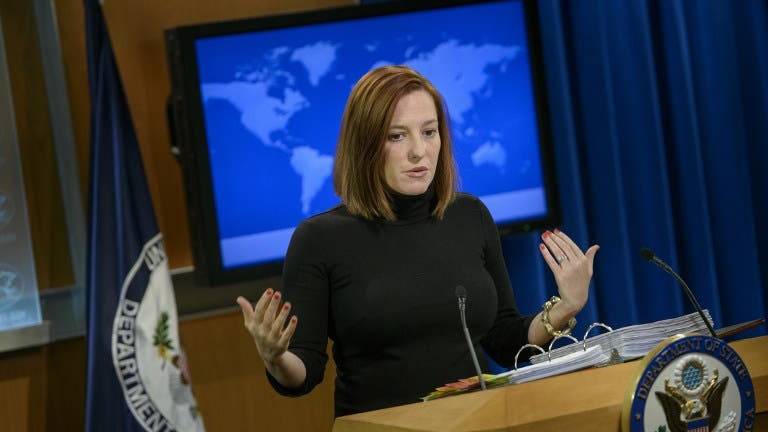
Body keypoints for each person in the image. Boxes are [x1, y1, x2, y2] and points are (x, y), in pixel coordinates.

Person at [236, 65, 599, 417]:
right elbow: (304, 372)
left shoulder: (470, 215)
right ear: (364, 145)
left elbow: (504, 341)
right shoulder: (319, 238)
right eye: (397, 136)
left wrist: (566, 307)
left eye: (429, 132)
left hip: (473, 420)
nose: (418, 151)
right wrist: (276, 358)